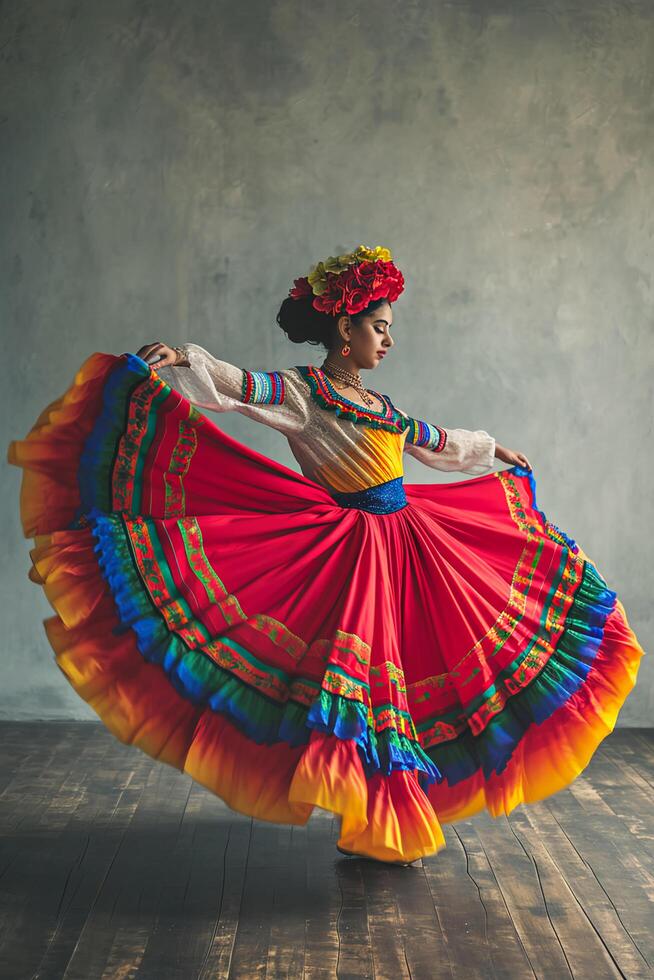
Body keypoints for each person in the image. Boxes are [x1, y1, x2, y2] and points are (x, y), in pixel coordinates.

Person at [7, 244, 645, 867]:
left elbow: (435, 443)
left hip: (409, 539)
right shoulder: (305, 393)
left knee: (433, 658)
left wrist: (495, 451)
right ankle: (375, 814)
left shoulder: (382, 407)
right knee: (365, 684)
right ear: (346, 328)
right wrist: (184, 359)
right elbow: (239, 389)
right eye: (379, 326)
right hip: (353, 549)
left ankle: (380, 811)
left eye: (389, 328)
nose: (388, 340)